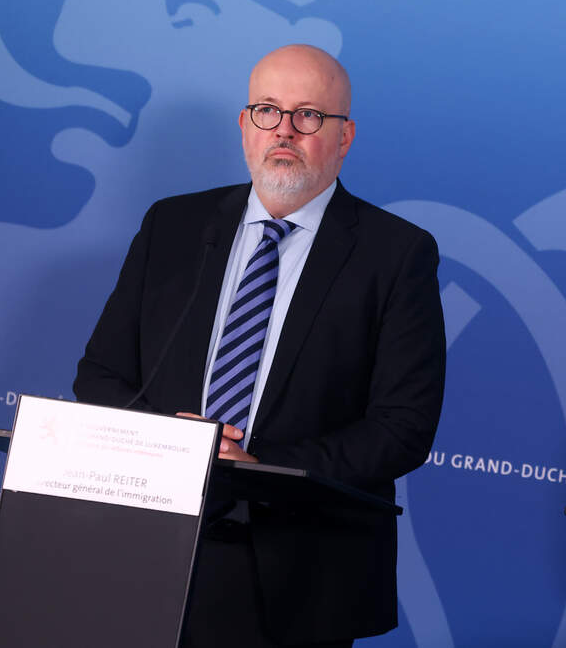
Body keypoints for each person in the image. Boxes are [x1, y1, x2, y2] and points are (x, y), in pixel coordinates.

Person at [74, 44, 446, 647]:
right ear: (245, 125)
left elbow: (403, 427)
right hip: (151, 540)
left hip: (296, 567)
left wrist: (261, 465)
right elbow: (99, 375)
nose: (284, 130)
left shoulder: (396, 254)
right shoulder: (174, 225)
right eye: (268, 110)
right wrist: (171, 444)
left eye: (309, 115)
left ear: (345, 136)